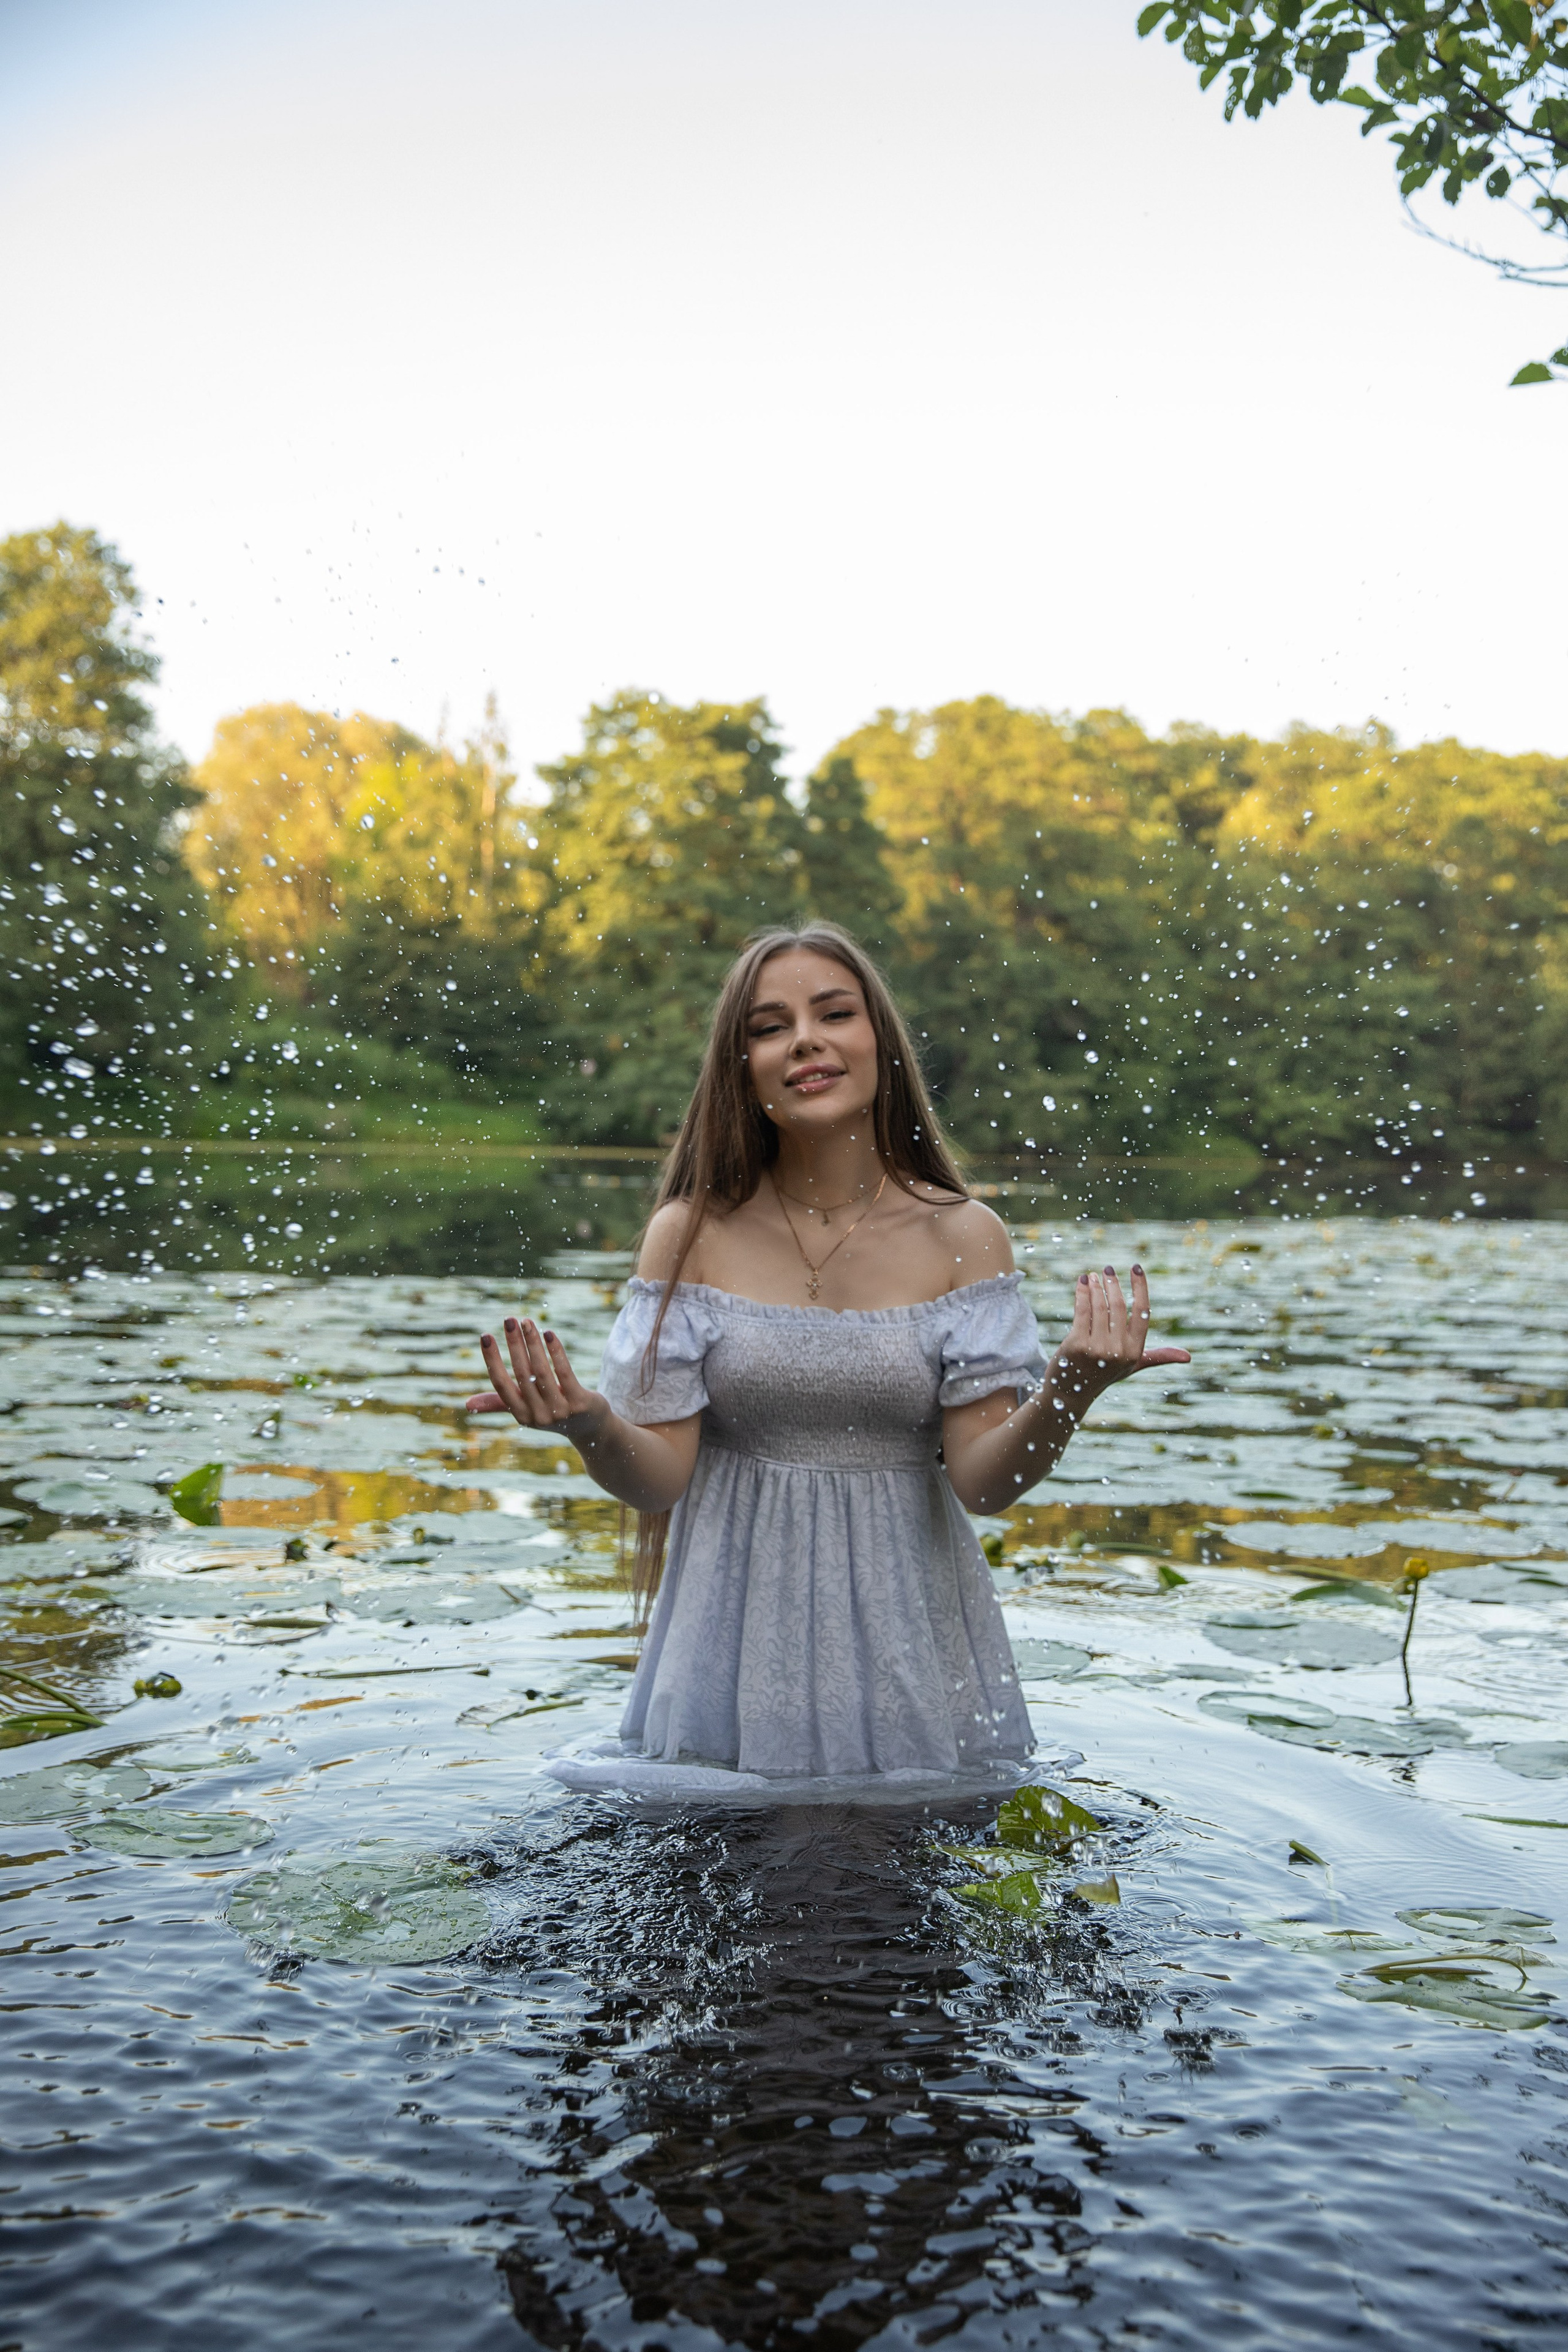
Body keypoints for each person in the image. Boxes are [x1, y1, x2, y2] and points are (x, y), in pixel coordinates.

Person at [466, 924, 1189, 1795]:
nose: (804, 1038)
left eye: (833, 1013)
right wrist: (588, 1422)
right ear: (742, 1067)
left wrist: (1069, 1391)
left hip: (908, 1647)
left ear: (878, 1039)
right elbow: (657, 1480)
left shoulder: (964, 1236)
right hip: (728, 1645)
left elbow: (984, 1486)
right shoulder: (689, 1232)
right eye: (769, 1027)